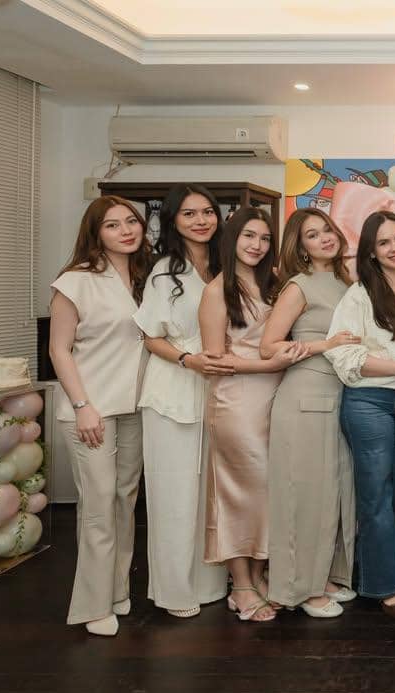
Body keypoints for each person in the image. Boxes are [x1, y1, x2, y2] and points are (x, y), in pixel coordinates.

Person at [325, 210, 395, 621]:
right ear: (371, 252)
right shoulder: (358, 295)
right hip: (368, 401)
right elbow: (343, 354)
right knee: (376, 495)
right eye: (384, 242)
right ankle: (386, 586)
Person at [49, 196, 152, 636]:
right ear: (96, 233)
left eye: (131, 221)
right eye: (112, 225)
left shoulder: (146, 278)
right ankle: (92, 605)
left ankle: (116, 589)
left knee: (124, 501)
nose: (126, 230)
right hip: (90, 409)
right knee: (98, 505)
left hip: (135, 405)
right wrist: (81, 406)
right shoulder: (75, 281)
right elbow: (59, 349)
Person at [198, 207, 303, 623]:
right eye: (248, 236)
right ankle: (240, 585)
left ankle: (258, 576)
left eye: (264, 238)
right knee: (240, 491)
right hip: (237, 403)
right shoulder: (218, 290)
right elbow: (213, 361)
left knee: (271, 490)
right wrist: (270, 365)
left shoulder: (275, 283)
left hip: (278, 399)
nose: (257, 245)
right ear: (231, 239)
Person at [133, 184, 230, 619]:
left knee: (211, 494)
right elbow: (150, 337)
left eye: (207, 212)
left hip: (220, 389)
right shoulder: (163, 271)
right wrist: (188, 360)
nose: (201, 220)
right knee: (173, 494)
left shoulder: (226, 265)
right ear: (173, 220)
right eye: (189, 214)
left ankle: (210, 583)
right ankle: (174, 591)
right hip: (173, 387)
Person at [260, 208, 358, 618]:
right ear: (300, 247)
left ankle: (323, 576)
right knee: (303, 497)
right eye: (312, 235)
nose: (324, 238)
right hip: (305, 397)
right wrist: (325, 345)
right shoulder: (298, 286)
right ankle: (298, 590)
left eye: (327, 230)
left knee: (333, 493)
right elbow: (268, 347)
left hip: (340, 396)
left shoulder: (347, 282)